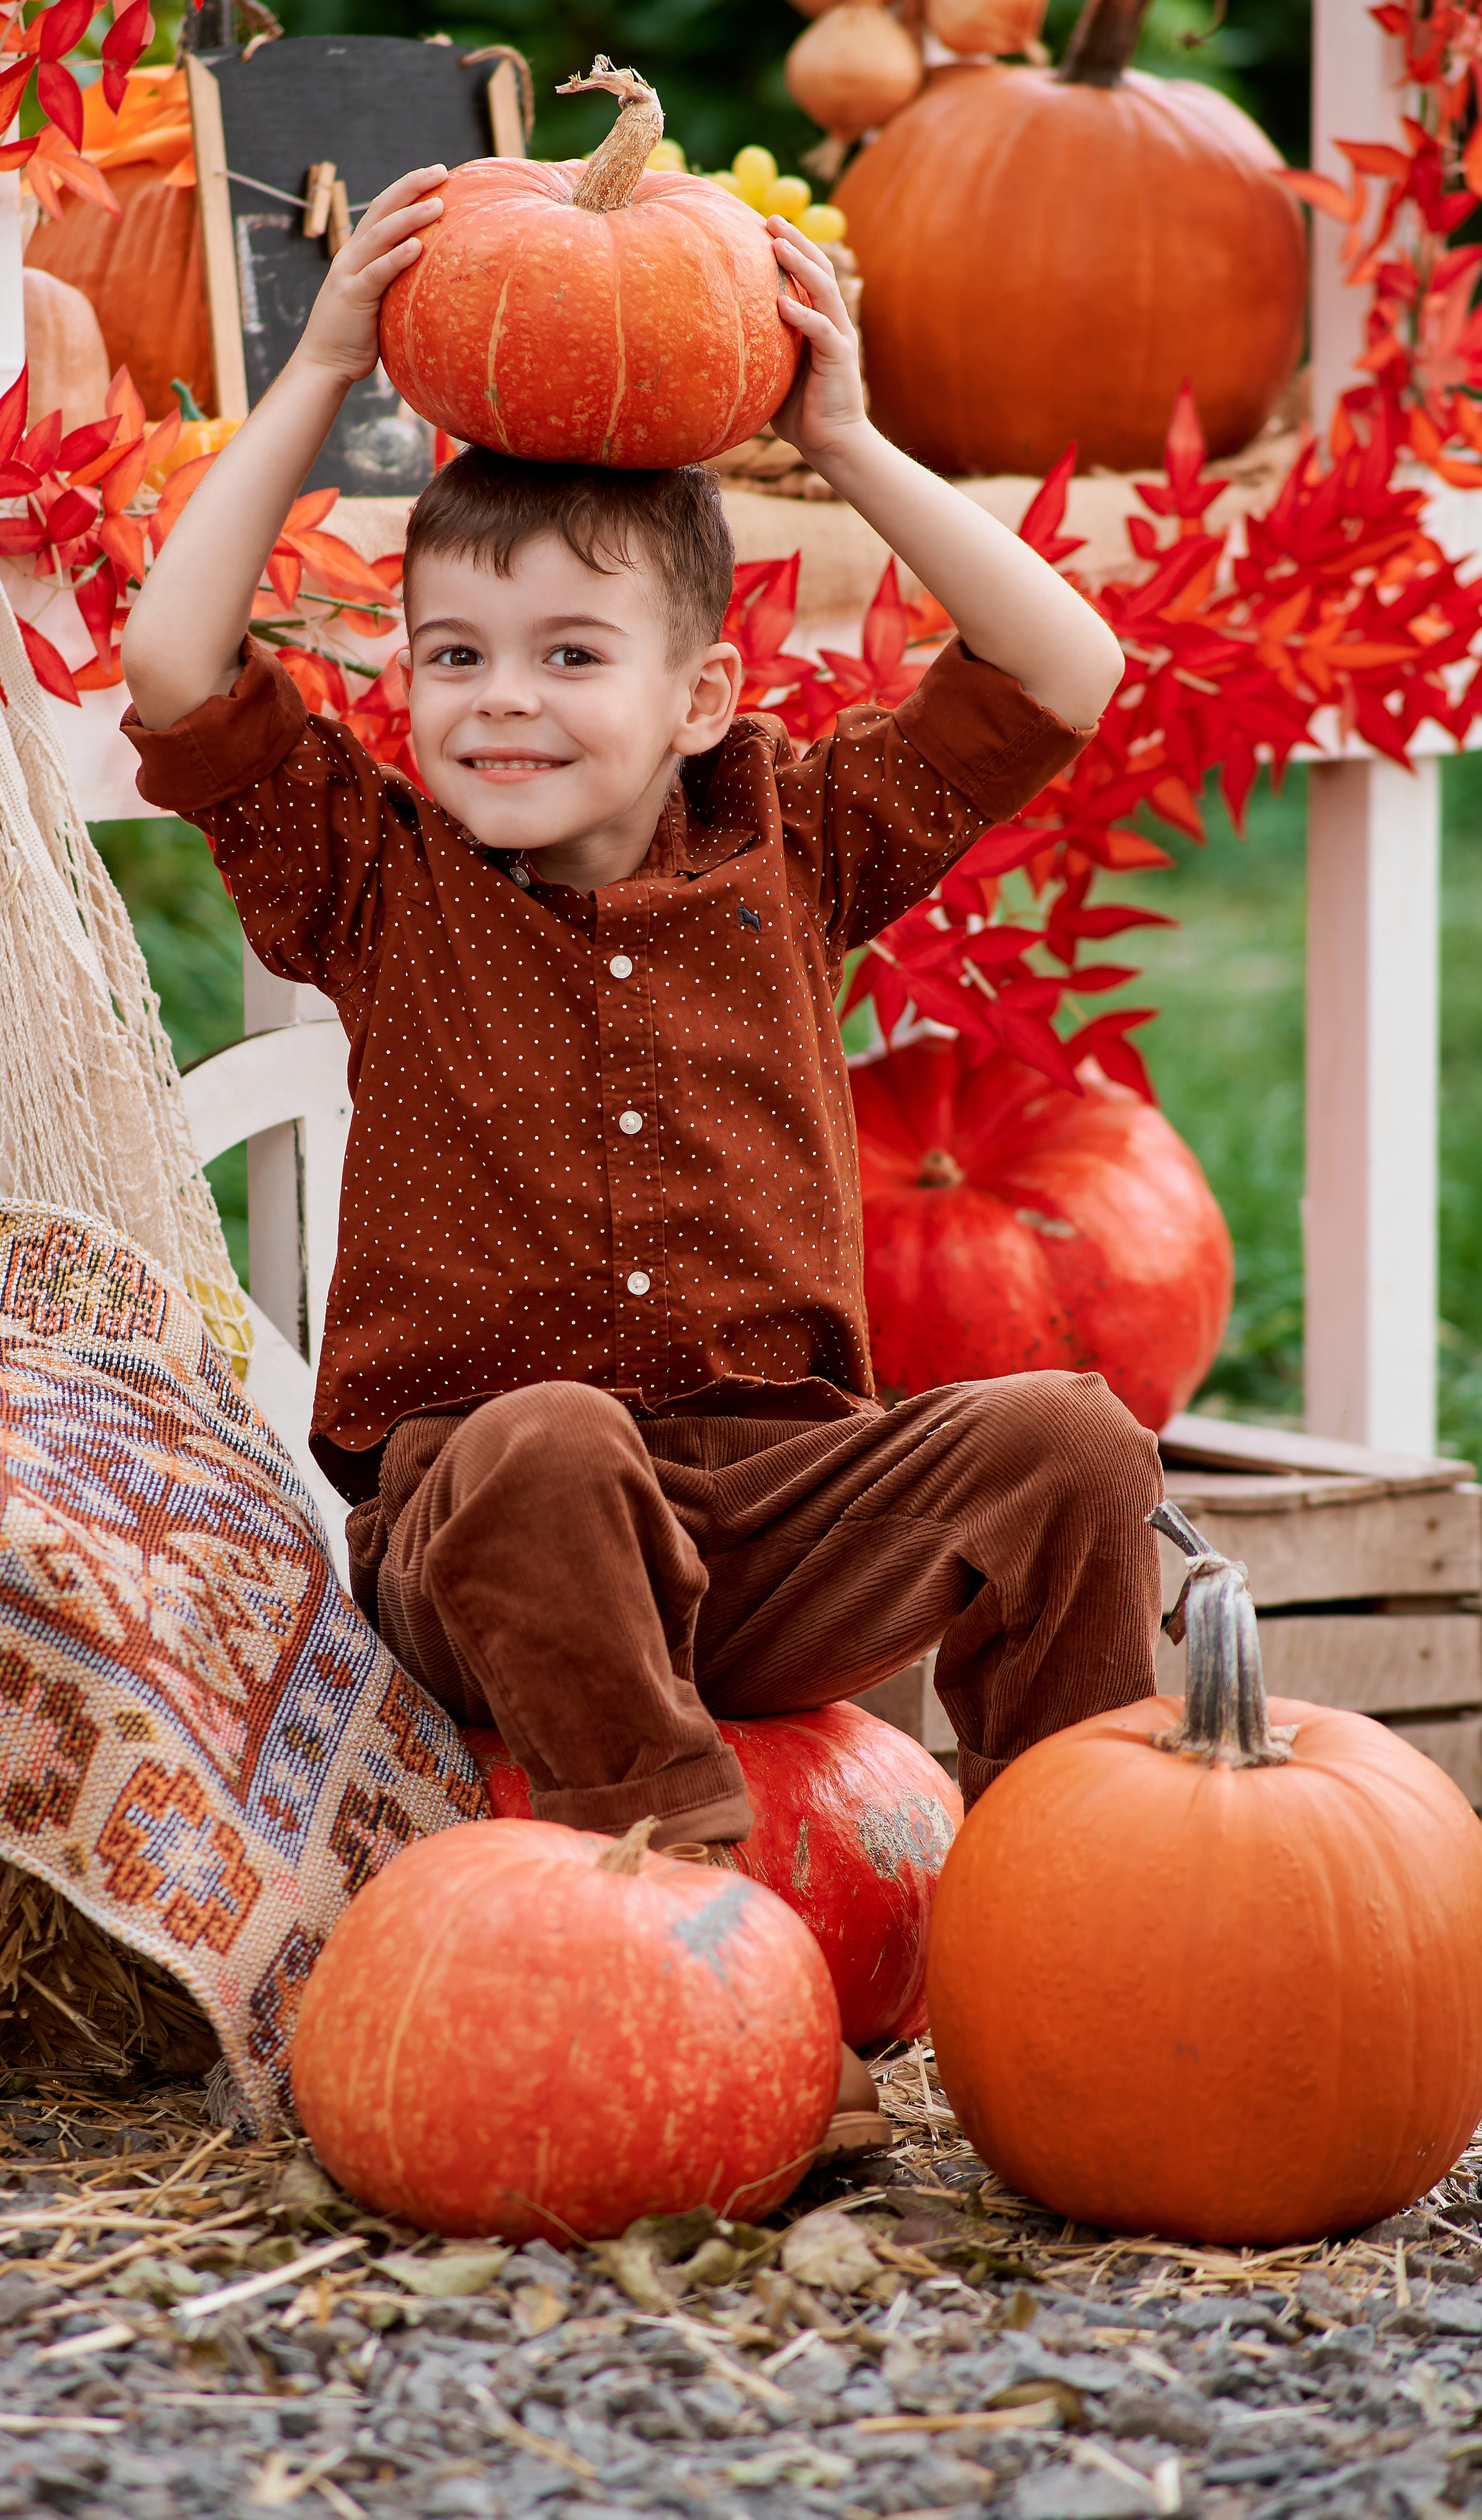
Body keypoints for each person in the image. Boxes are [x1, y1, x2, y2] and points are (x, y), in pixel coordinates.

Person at [122, 164, 1163, 2146]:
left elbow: (1062, 674)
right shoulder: (376, 877)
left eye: (568, 656)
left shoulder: (802, 842)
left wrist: (845, 439)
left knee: (1069, 1441)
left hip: (780, 1516)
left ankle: (1078, 1919)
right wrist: (324, 367)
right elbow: (183, 675)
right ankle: (695, 1943)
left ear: (702, 698)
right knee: (548, 1439)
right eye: (453, 655)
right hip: (495, 1534)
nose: (501, 699)